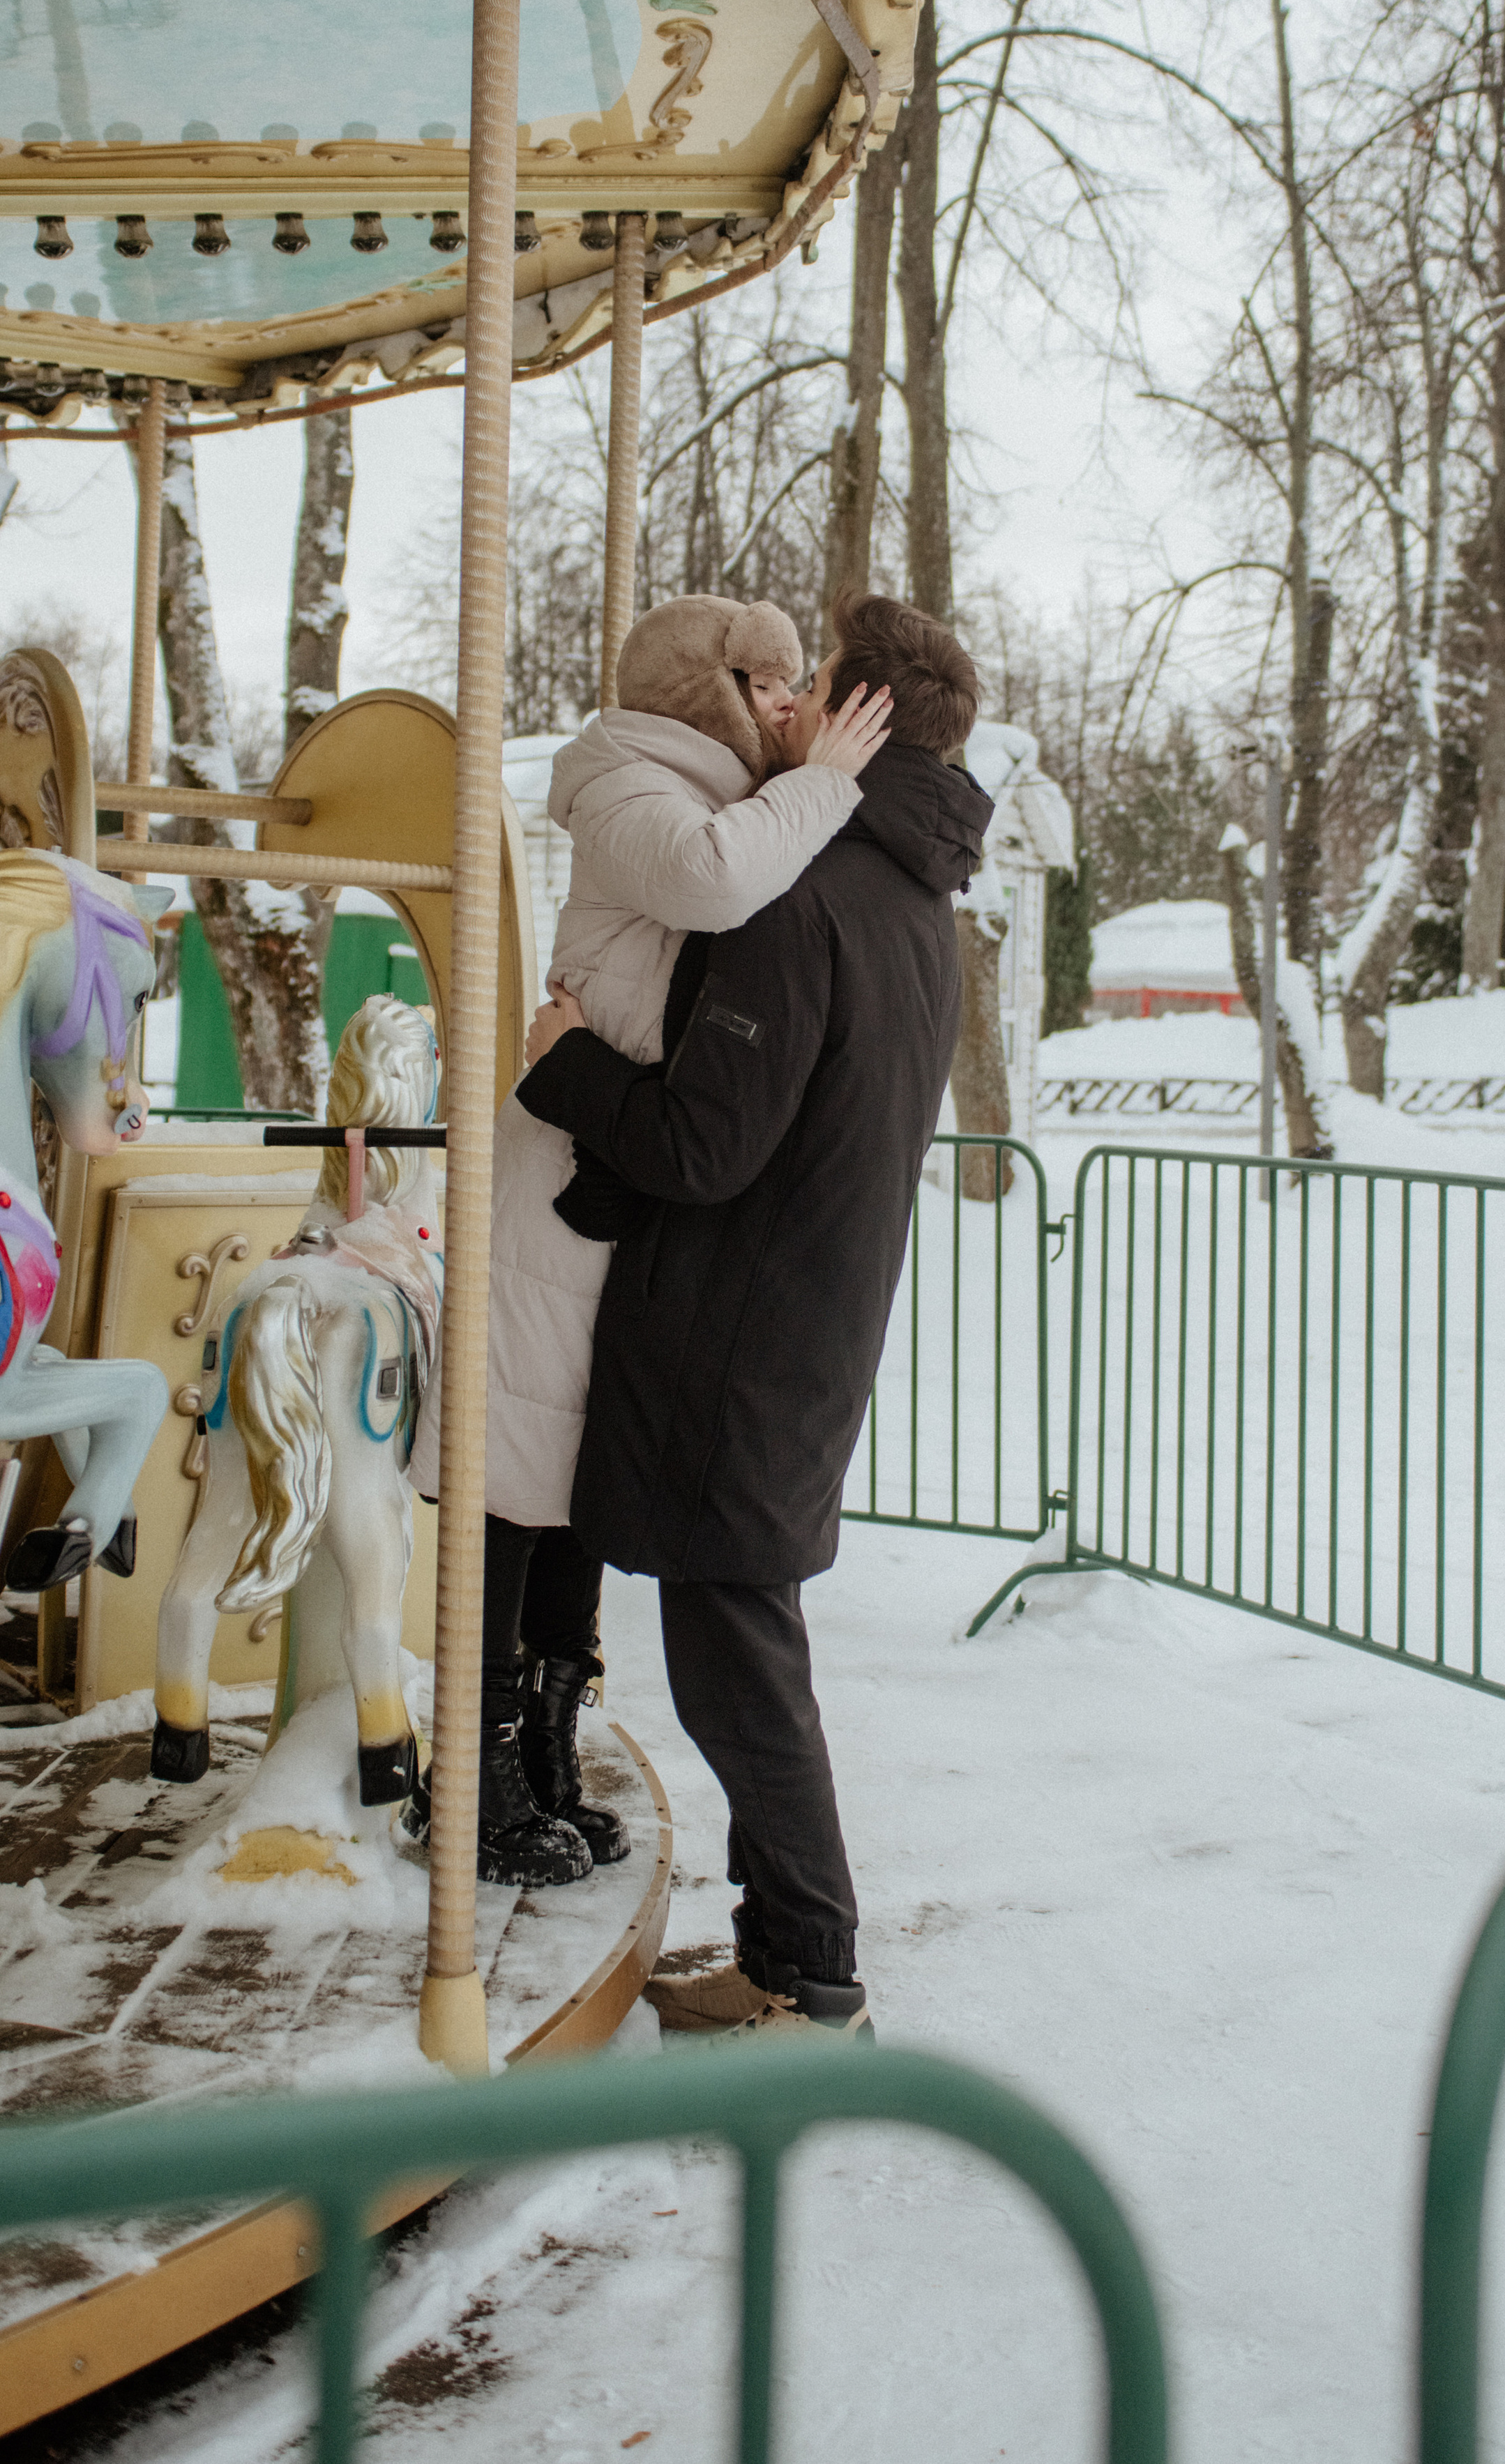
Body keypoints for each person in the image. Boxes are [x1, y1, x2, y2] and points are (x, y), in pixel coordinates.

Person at [516, 591, 992, 2038]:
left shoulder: (806, 893)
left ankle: (813, 1975)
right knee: (743, 1655)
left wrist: (567, 1061)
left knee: (740, 1676)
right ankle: (788, 1952)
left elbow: (704, 1141)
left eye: (814, 684)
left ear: (860, 715)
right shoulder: (917, 899)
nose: (784, 704)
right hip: (809, 1315)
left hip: (738, 1334)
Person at [404, 593, 891, 1885]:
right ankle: (471, 1772)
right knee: (510, 1481)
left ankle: (546, 1744)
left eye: (794, 687)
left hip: (622, 1178)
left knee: (577, 1484)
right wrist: (828, 781)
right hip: (558, 1191)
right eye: (767, 687)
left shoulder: (734, 801)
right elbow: (711, 878)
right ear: (705, 690)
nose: (788, 709)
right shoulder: (632, 779)